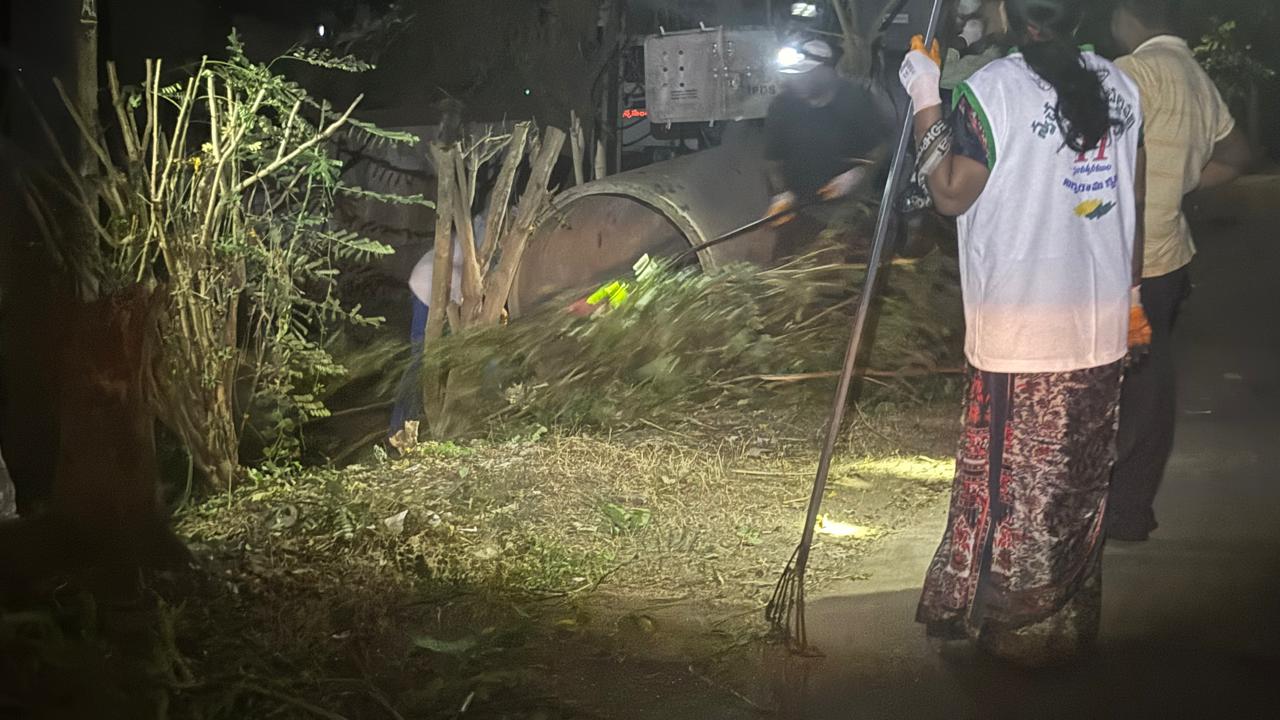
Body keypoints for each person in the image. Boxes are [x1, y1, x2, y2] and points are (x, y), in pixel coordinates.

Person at [899, 0, 1146, 665]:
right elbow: (1135, 199)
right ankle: (1059, 626)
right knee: (1074, 486)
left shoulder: (994, 91)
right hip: (1098, 326)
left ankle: (1017, 631)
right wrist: (1133, 300)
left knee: (1013, 488)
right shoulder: (1122, 85)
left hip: (1022, 330)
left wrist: (925, 94)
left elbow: (949, 191)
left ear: (1010, 9)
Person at [1107, 0, 1252, 541]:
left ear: (1128, 16)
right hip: (1170, 255)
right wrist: (1183, 182)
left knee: (1121, 387)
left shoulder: (1132, 72)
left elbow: (1108, 161)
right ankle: (1130, 508)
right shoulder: (1194, 75)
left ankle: (1113, 508)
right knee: (1150, 381)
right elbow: (1237, 155)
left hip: (1126, 258)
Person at [763, 39, 891, 255]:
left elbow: (880, 147)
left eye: (805, 75)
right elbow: (772, 161)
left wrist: (857, 175)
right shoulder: (783, 105)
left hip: (850, 212)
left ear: (827, 72)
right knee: (789, 262)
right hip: (800, 211)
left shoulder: (855, 100)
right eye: (795, 75)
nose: (797, 81)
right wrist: (782, 194)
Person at [388, 209, 486, 448]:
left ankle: (416, 423)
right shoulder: (472, 237)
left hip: (439, 294)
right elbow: (465, 277)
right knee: (420, 358)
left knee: (434, 358)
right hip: (427, 291)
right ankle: (400, 428)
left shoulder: (476, 237)